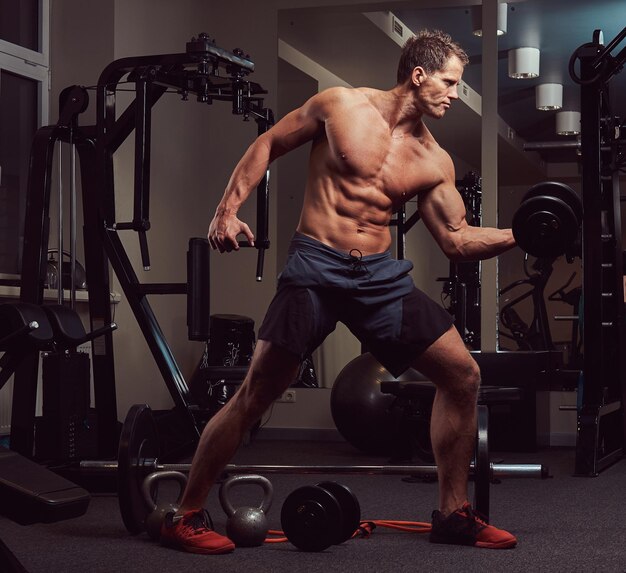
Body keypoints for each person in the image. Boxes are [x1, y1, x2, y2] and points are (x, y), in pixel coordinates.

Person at [161, 29, 518, 554]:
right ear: (418, 76)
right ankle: (186, 513)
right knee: (256, 393)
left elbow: (457, 240)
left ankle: (454, 514)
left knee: (463, 375)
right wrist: (227, 211)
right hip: (316, 268)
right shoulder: (340, 105)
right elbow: (269, 143)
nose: (454, 94)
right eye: (449, 82)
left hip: (379, 278)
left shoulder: (434, 160)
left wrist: (521, 233)